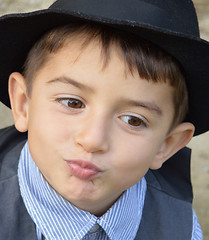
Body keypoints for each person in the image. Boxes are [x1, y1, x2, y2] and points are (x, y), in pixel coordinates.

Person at [0, 0, 208, 239]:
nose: (92, 140)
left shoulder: (181, 229)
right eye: (73, 103)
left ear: (166, 144)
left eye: (133, 120)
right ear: (24, 103)